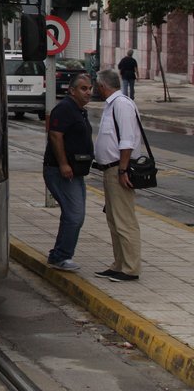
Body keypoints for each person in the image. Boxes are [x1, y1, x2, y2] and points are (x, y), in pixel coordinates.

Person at [93, 68, 142, 282]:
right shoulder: (111, 104)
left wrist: (122, 170)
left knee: (124, 220)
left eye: (96, 85)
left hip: (118, 169)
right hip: (110, 170)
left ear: (103, 86)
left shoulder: (121, 104)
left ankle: (130, 268)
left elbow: (127, 140)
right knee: (114, 219)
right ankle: (119, 263)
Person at [42, 73, 94, 271]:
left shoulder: (79, 110)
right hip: (60, 171)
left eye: (89, 88)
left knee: (76, 215)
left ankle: (60, 254)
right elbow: (55, 136)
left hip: (76, 172)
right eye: (83, 88)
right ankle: (61, 256)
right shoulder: (65, 109)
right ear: (72, 90)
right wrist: (63, 164)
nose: (88, 92)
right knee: (74, 215)